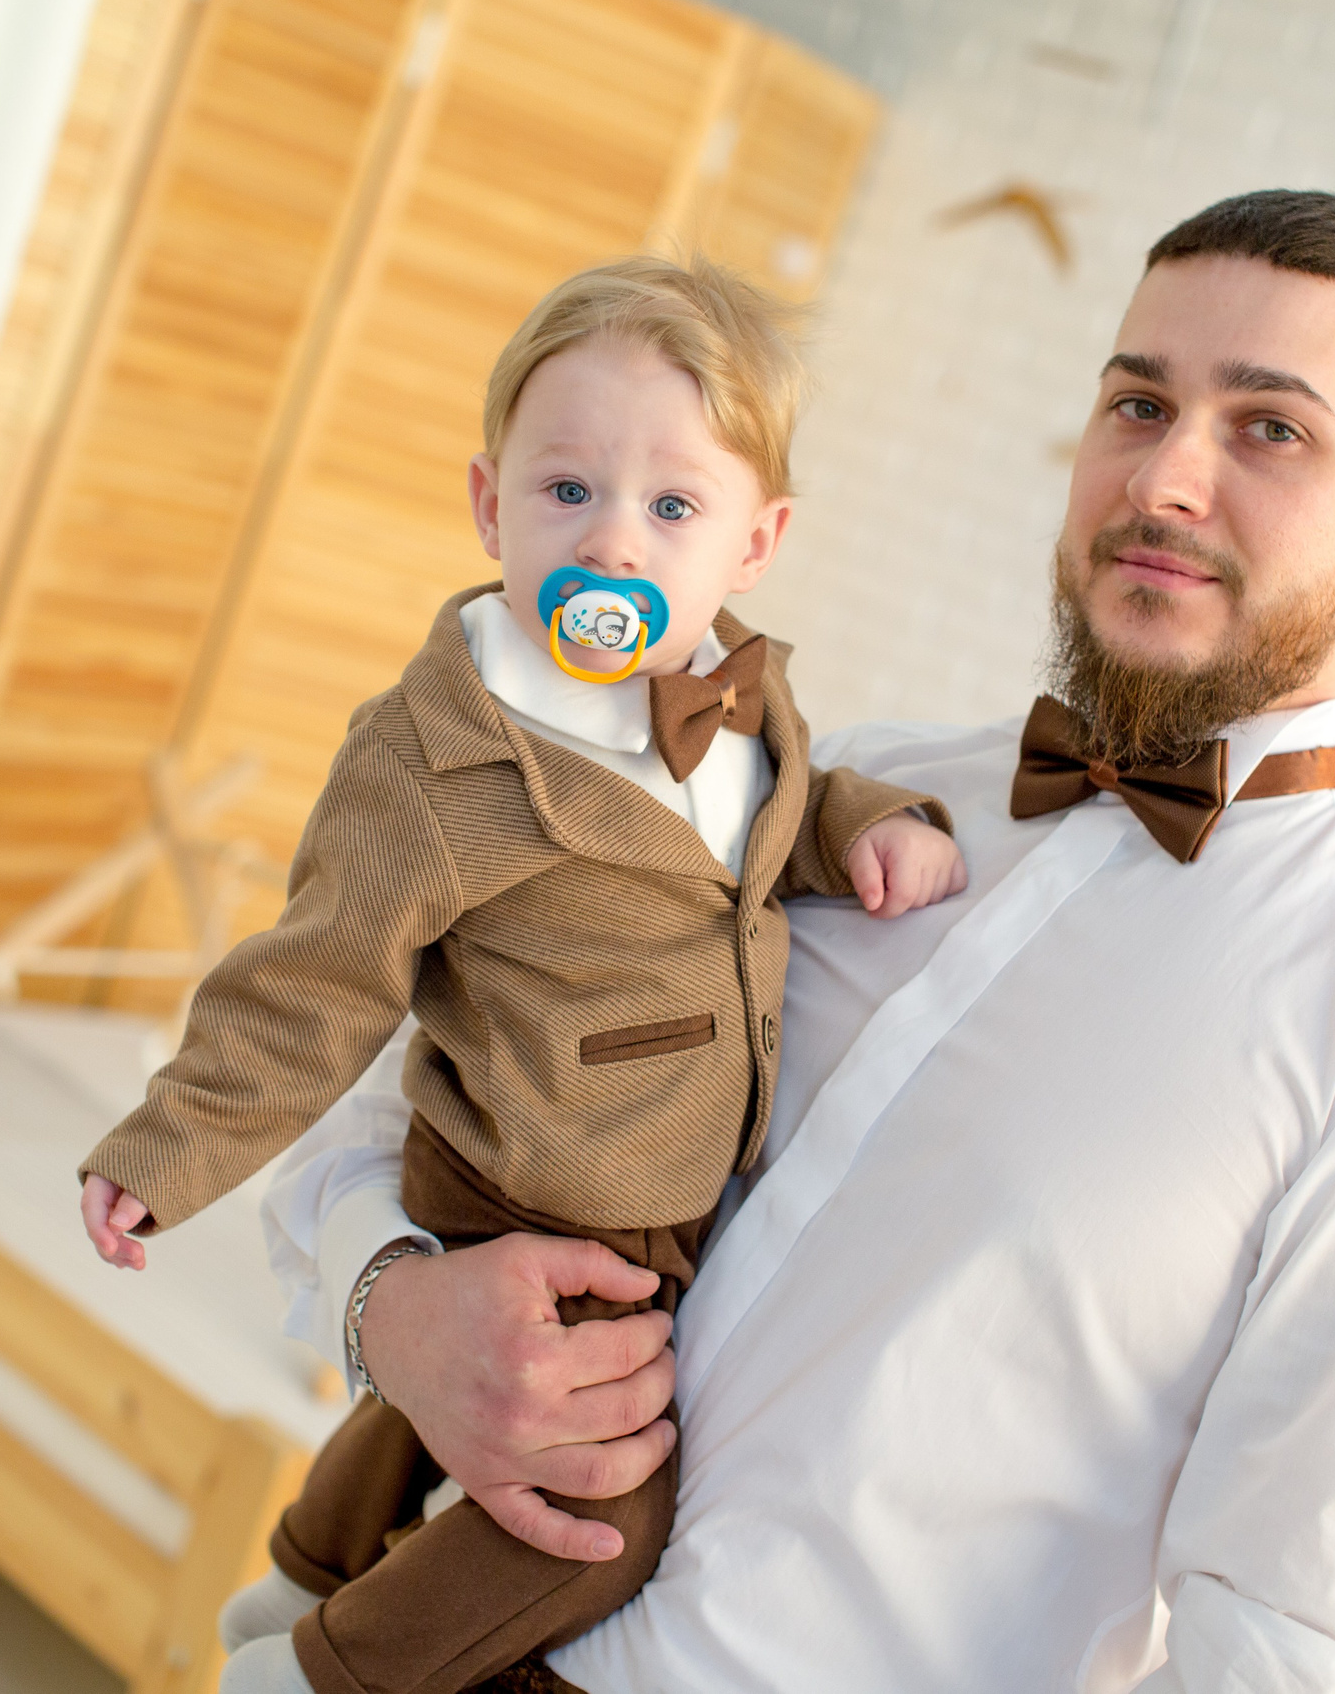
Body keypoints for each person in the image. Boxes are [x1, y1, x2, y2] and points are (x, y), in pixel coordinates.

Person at [257, 191, 1335, 1692]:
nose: (1165, 478)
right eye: (1137, 401)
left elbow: (1295, 1652)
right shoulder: (818, 795)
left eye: (1271, 429)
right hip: (384, 1632)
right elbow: (387, 1105)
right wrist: (391, 1302)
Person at [75, 256, 967, 1694]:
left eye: (673, 507)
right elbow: (315, 979)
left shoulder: (735, 693)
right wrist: (172, 1143)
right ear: (491, 504)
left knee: (457, 1407)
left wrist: (864, 823)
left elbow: (765, 830)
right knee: (601, 1501)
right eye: (569, 493)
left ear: (755, 541)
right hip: (537, 1168)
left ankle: (306, 1562)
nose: (615, 543)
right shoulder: (440, 757)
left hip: (648, 1186)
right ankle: (318, 1670)